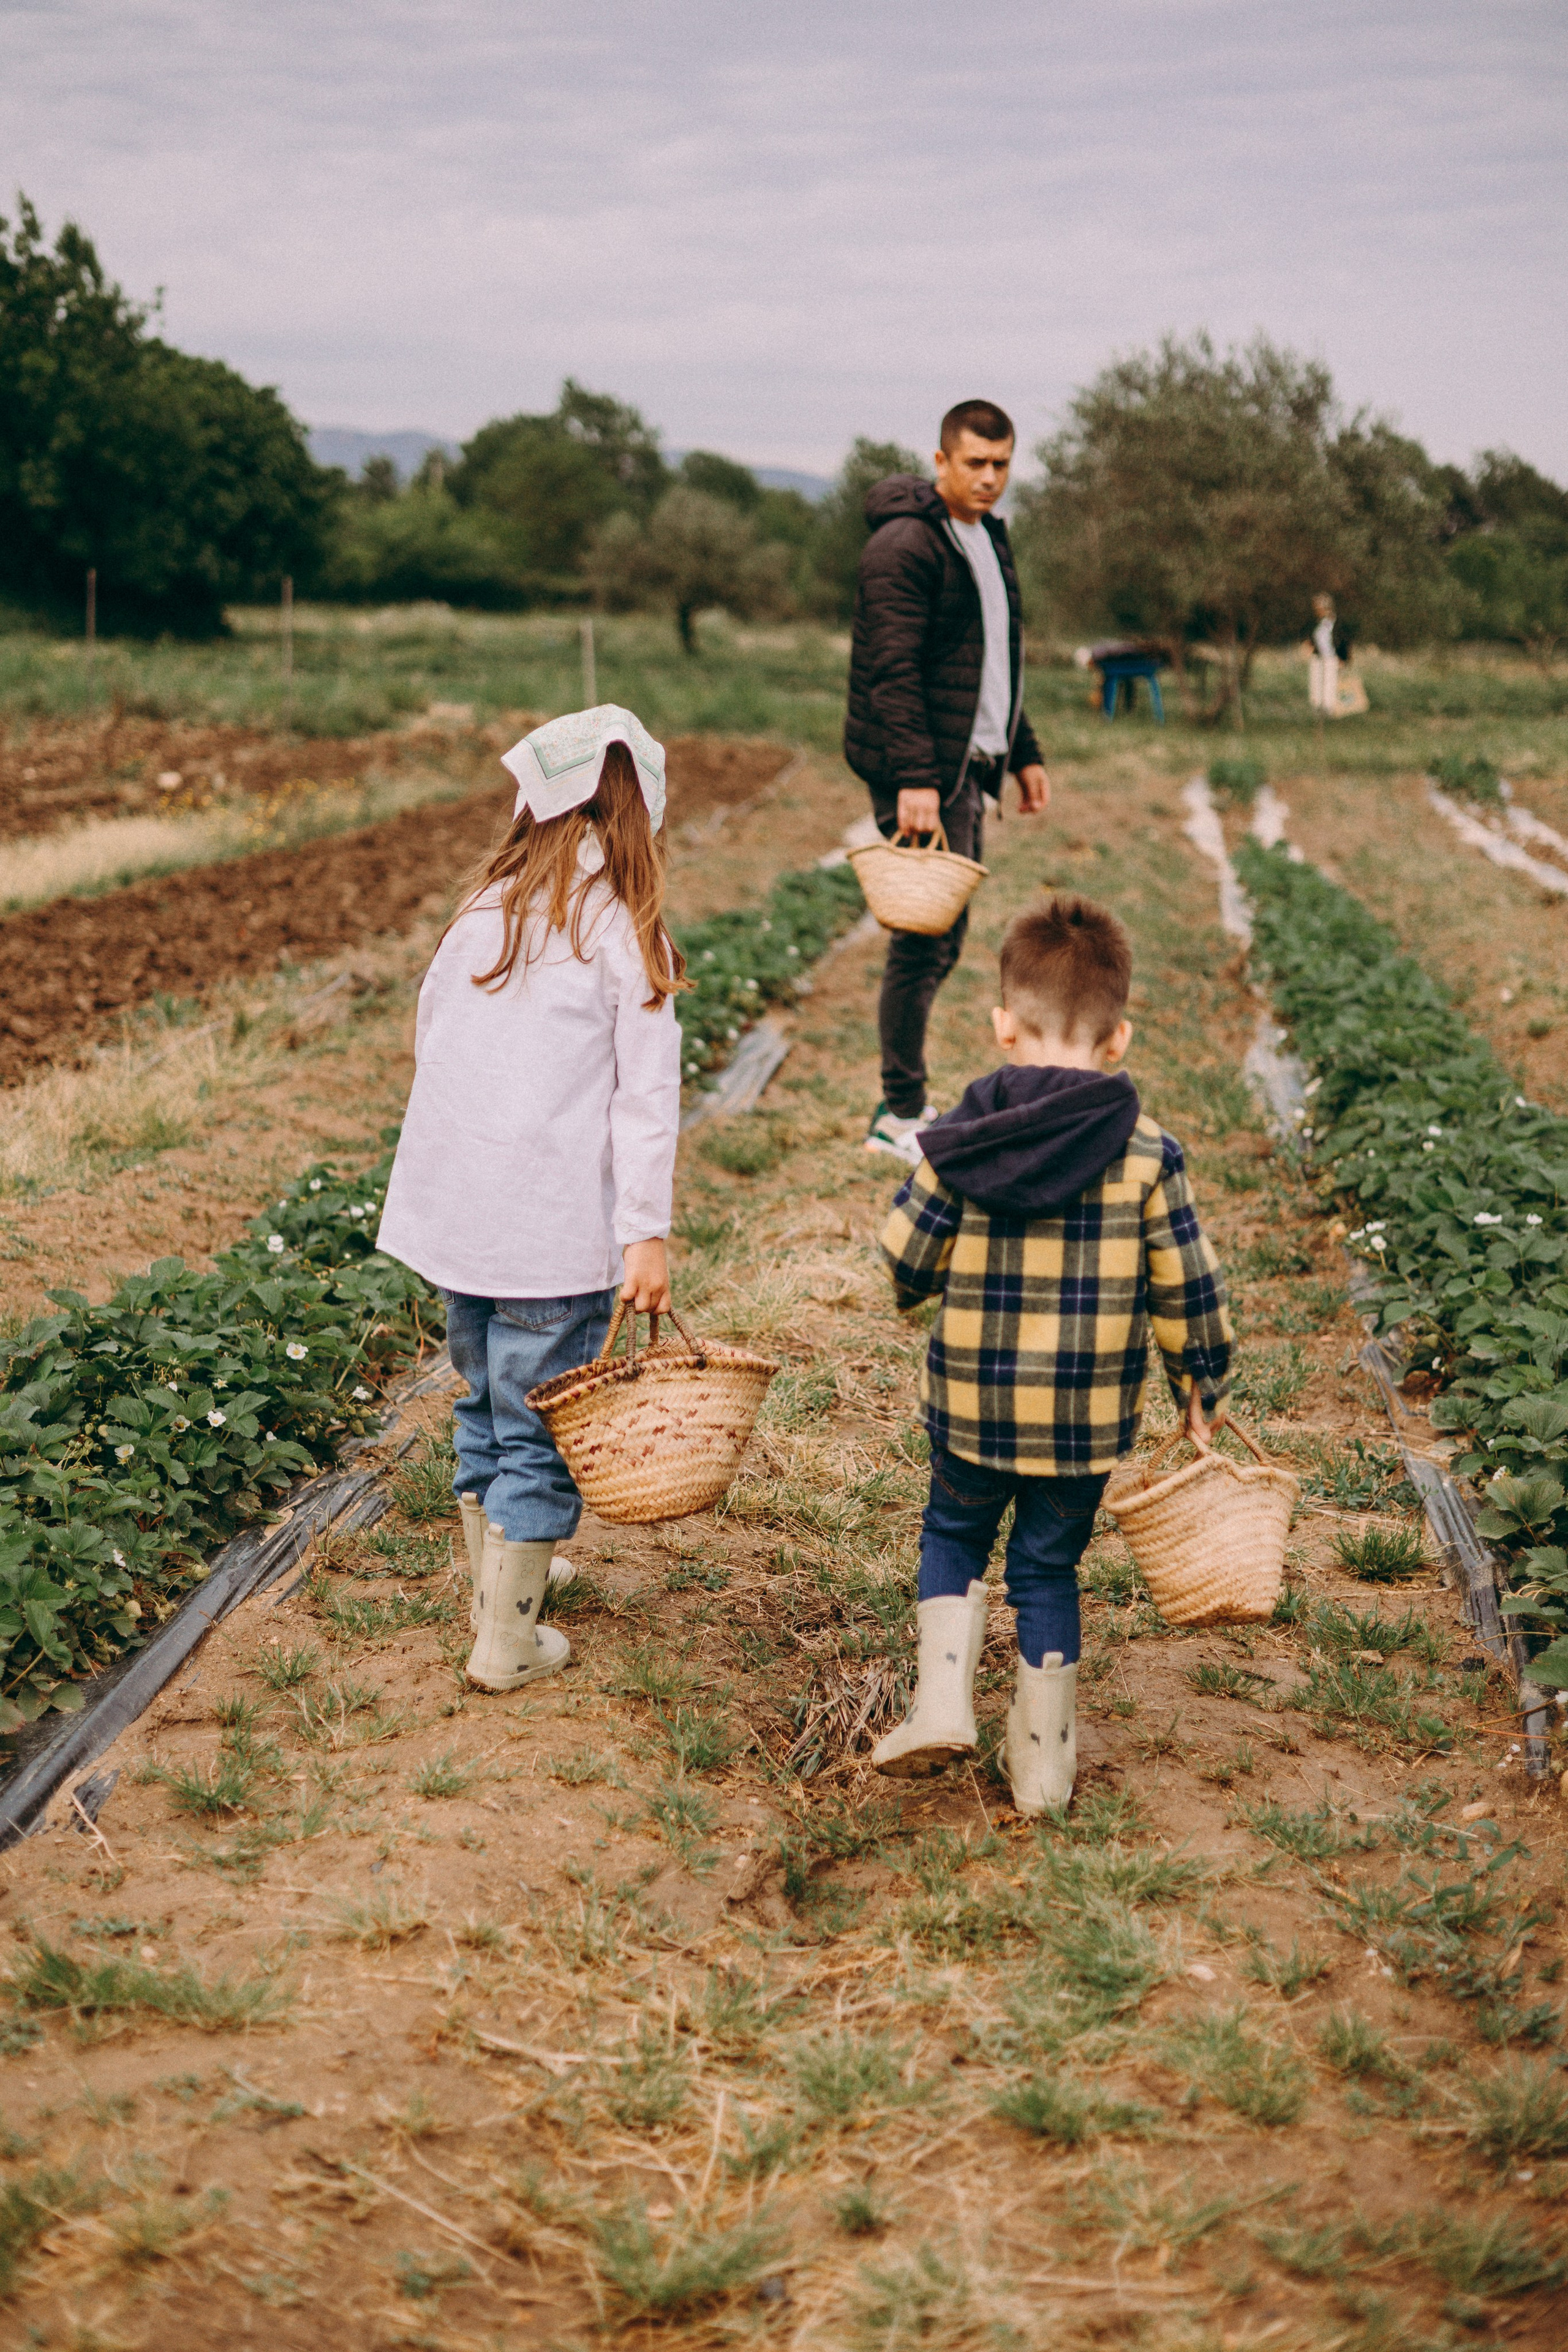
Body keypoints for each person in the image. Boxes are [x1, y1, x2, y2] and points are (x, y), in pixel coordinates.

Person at [872, 895, 1232, 1814]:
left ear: (1003, 1027)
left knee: (954, 1535)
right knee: (1046, 1569)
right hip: (1084, 1426)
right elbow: (1187, 1286)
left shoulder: (961, 1142)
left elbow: (904, 1260)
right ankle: (1042, 1768)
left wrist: (917, 1279)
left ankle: (942, 1702)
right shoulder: (1149, 1154)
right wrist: (1202, 1380)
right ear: (1118, 1040)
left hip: (971, 1408)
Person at [377, 706, 683, 1693]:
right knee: (543, 1429)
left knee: (484, 1402)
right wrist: (645, 1231)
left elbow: (431, 1047)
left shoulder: (486, 908)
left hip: (463, 1226)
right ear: (640, 815)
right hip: (551, 1238)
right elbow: (646, 1101)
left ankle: (496, 1584)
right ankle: (508, 1640)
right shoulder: (623, 932)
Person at [843, 398, 1052, 1167]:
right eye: (975, 463)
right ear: (940, 462)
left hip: (970, 762)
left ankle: (901, 1103)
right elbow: (890, 671)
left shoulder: (989, 538)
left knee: (940, 936)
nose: (990, 478)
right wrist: (915, 778)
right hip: (927, 771)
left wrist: (1023, 752)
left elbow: (996, 662)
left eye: (1001, 464)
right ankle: (898, 1113)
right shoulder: (904, 546)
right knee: (921, 939)